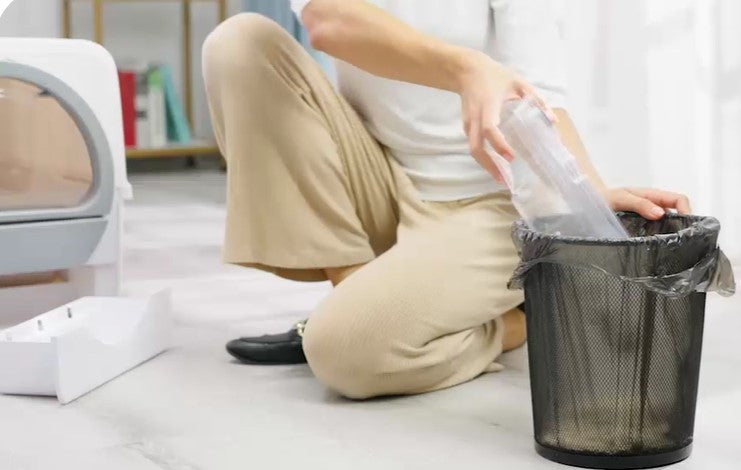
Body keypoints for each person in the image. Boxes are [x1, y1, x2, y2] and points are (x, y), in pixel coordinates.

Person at [202, 0, 691, 399]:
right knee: (240, 44)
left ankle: (510, 326)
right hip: (381, 177)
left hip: (488, 204)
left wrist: (587, 190)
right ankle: (354, 296)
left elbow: (540, 98)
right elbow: (328, 20)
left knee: (341, 355)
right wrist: (466, 67)